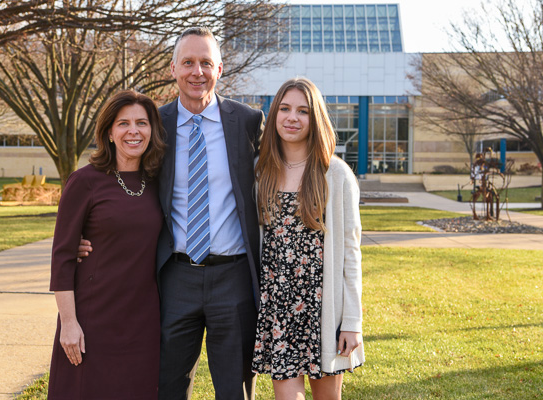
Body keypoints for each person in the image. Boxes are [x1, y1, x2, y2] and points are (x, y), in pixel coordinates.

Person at [78, 27, 263, 399]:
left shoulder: (247, 121)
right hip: (174, 277)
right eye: (188, 62)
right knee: (165, 386)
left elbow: (284, 166)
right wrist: (87, 230)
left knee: (234, 389)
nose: (197, 72)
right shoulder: (153, 124)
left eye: (206, 63)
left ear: (220, 69)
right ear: (173, 69)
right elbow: (120, 173)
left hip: (233, 277)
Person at [48, 90, 166, 399]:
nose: (133, 131)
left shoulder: (159, 183)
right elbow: (62, 257)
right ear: (109, 133)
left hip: (143, 320)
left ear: (152, 130)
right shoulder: (84, 181)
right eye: (123, 123)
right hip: (93, 318)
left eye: (141, 123)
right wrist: (68, 323)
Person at [252, 77, 364, 399]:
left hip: (322, 308)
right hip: (278, 307)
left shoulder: (335, 173)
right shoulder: (260, 171)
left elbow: (350, 252)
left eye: (303, 111)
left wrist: (352, 321)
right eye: (285, 109)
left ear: (315, 119)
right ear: (274, 114)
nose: (292, 117)